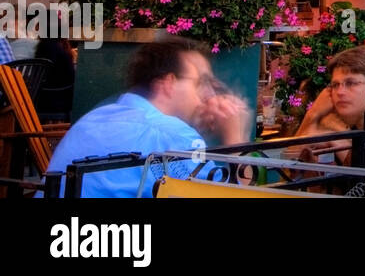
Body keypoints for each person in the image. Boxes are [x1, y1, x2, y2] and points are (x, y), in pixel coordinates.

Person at [45, 37, 250, 197]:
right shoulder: (171, 134)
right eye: (200, 83)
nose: (208, 95)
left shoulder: (94, 117)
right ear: (168, 83)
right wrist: (235, 138)